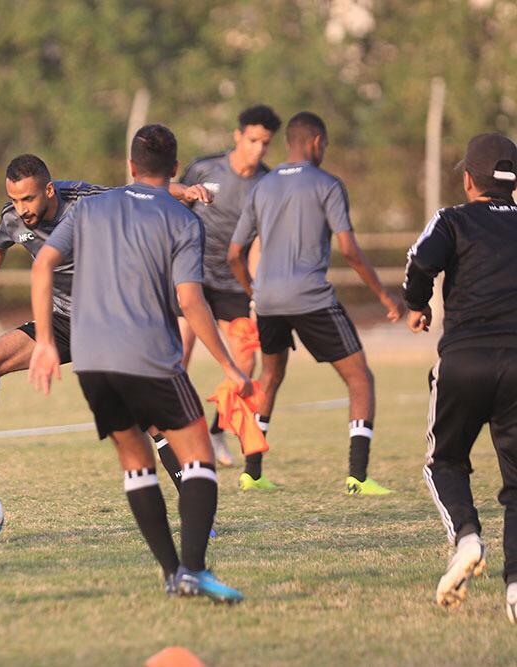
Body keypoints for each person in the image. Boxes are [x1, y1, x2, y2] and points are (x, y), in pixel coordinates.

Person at [29, 124, 251, 601]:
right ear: (174, 169)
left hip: (91, 360)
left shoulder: (88, 208)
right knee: (199, 456)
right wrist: (230, 368)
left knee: (136, 462)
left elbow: (42, 263)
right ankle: (192, 568)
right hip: (148, 354)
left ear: (130, 167)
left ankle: (174, 575)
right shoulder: (182, 220)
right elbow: (190, 301)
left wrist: (46, 341)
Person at [0, 155, 203, 493]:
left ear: (49, 190)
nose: (21, 209)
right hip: (63, 319)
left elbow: (141, 191)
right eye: (14, 200)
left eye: (28, 199)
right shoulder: (14, 220)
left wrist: (184, 192)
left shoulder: (88, 202)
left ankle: (194, 501)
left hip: (109, 321)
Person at [227, 111, 403, 494]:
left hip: (269, 301)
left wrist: (254, 291)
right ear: (317, 143)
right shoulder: (328, 184)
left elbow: (234, 252)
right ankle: (357, 475)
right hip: (311, 299)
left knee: (270, 378)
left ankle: (251, 472)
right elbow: (349, 250)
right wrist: (385, 295)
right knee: (360, 378)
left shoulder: (263, 186)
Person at [403, 133, 517, 619]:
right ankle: (516, 589)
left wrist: (417, 304)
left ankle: (467, 536)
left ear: (470, 179)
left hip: (465, 359)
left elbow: (419, 262)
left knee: (444, 461)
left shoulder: (452, 218)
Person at [176, 104, 282, 467]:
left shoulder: (267, 182)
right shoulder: (205, 168)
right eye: (252, 140)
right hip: (194, 276)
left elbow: (259, 241)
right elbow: (174, 204)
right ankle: (174, 431)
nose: (258, 149)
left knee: (245, 360)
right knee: (181, 353)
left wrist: (255, 293)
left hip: (234, 284)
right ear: (238, 136)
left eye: (265, 143)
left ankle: (217, 432)